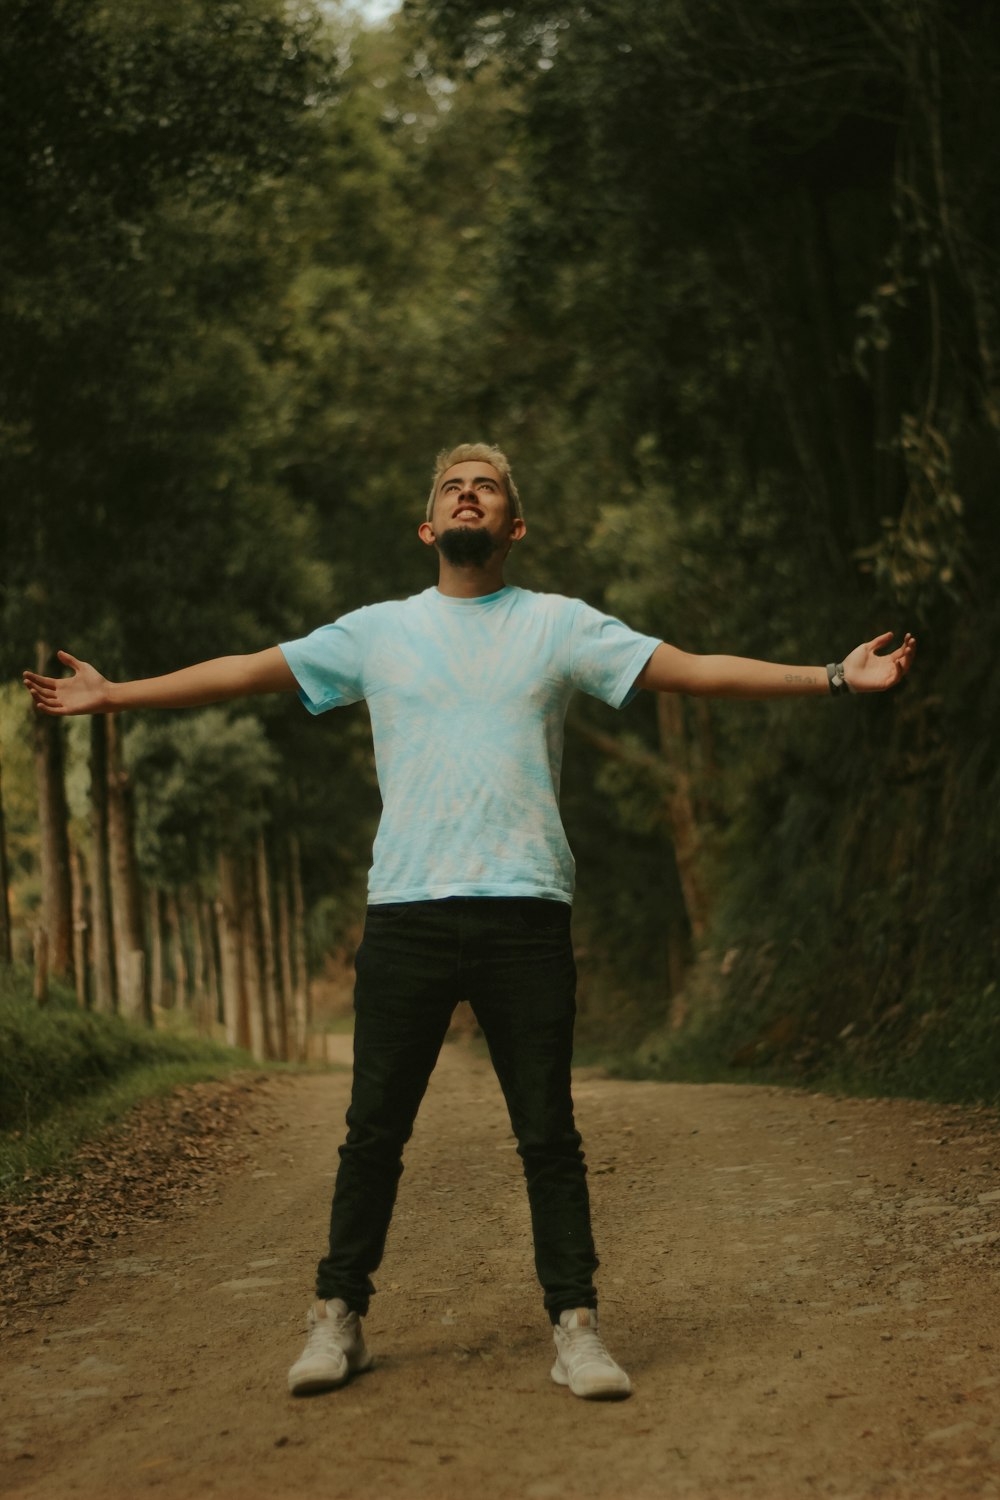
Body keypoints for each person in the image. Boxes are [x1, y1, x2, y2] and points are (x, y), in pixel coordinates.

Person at [23, 441, 916, 1402]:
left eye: (486, 487)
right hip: (405, 911)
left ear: (512, 525)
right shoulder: (378, 632)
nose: (468, 494)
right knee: (373, 1131)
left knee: (548, 1135)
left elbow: (691, 670)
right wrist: (117, 694)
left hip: (527, 909)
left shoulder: (558, 626)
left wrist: (831, 676)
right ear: (427, 525)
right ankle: (338, 1318)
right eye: (452, 485)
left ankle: (576, 1328)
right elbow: (251, 670)